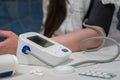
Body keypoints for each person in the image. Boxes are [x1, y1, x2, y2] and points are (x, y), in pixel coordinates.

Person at [0, 0, 115, 55]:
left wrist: (26, 46)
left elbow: (95, 36)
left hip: (100, 56)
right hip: (59, 53)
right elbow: (50, 29)